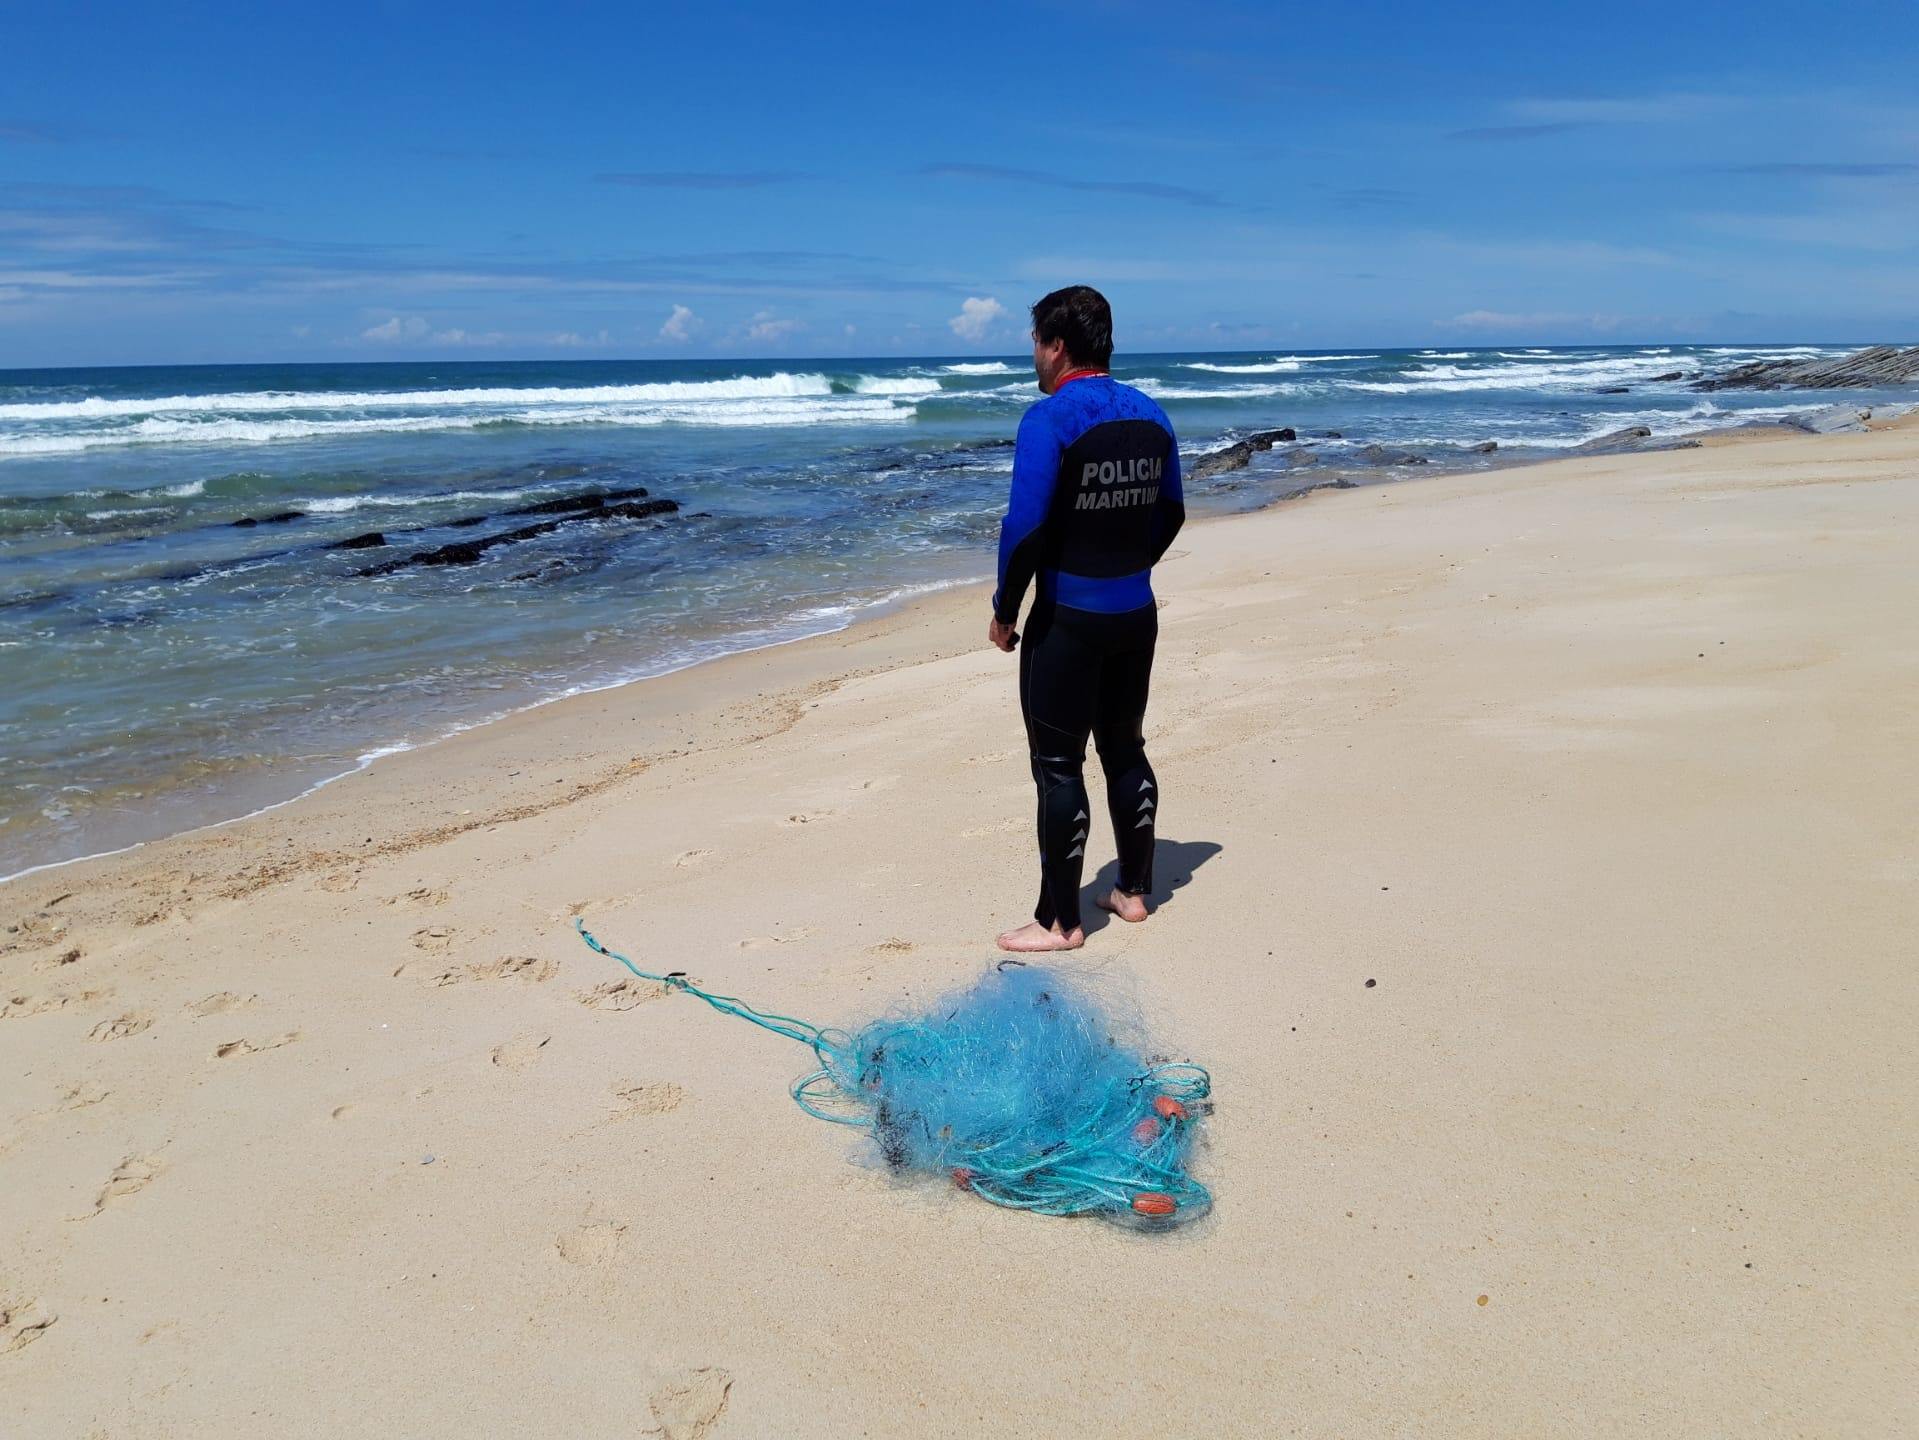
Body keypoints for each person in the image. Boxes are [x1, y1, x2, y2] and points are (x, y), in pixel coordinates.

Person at [988, 285, 1184, 952]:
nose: (1034, 357)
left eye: (1037, 344)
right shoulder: (1152, 415)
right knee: (1124, 747)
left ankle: (1059, 922)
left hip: (1068, 620)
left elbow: (1024, 526)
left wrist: (1004, 610)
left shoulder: (1049, 419)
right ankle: (1132, 891)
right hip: (1135, 611)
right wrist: (1130, 566)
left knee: (1058, 766)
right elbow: (1171, 512)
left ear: (1058, 346)